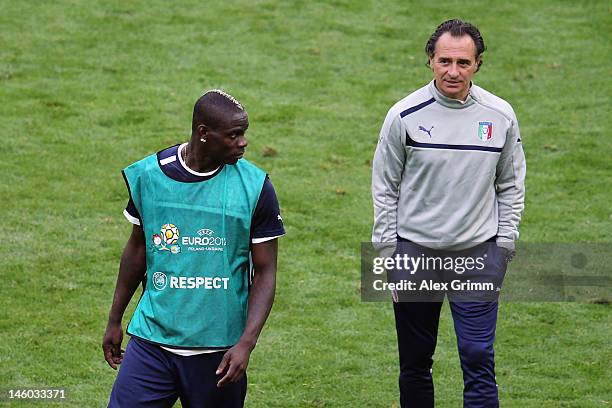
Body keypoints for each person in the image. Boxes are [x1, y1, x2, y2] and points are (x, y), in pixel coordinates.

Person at [371, 19, 526, 407]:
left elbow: (510, 184)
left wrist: (504, 244)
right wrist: (388, 255)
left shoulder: (500, 116)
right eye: (444, 61)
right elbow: (384, 187)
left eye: (462, 62)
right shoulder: (403, 115)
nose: (452, 71)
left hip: (478, 255)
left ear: (478, 64)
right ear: (430, 60)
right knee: (415, 362)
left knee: (477, 357)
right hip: (414, 255)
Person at [102, 89, 285, 407]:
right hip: (152, 342)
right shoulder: (150, 177)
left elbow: (266, 271)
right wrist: (114, 319)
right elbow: (137, 249)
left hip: (219, 354)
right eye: (234, 135)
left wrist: (246, 343)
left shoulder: (255, 187)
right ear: (204, 133)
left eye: (244, 134)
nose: (243, 142)